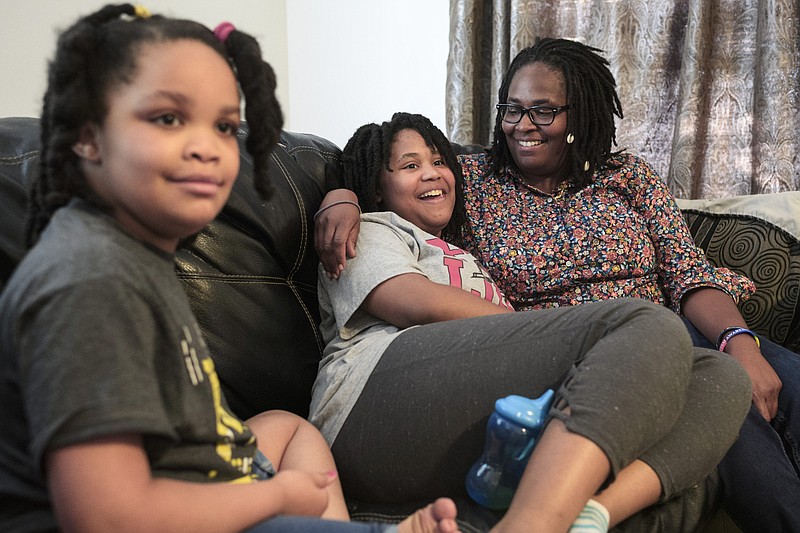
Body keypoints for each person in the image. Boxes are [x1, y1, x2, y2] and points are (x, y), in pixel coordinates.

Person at [0, 5, 461, 533]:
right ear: (86, 134)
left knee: (286, 427)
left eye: (223, 125)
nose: (207, 148)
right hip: (163, 516)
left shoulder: (131, 254)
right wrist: (276, 495)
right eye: (169, 118)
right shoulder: (89, 281)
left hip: (211, 474)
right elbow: (109, 517)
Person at [317, 38, 800, 533]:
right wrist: (341, 197)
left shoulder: (626, 177)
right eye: (513, 109)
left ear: (580, 116)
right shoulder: (473, 182)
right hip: (588, 348)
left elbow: (688, 271)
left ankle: (593, 512)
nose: (523, 125)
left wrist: (738, 341)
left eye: (544, 111)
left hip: (676, 334)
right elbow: (377, 172)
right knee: (683, 358)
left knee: (734, 376)